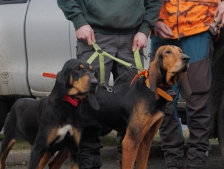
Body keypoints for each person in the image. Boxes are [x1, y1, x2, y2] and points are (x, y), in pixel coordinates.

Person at [57, 0, 162, 168]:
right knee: (88, 103)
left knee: (133, 109)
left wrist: (144, 29)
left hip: (133, 38)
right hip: (94, 35)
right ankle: (89, 164)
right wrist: (79, 21)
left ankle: (127, 163)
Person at [150, 0, 224, 168]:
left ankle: (197, 158)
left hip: (198, 25)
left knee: (197, 96)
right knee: (162, 99)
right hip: (161, 28)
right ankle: (172, 156)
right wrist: (152, 20)